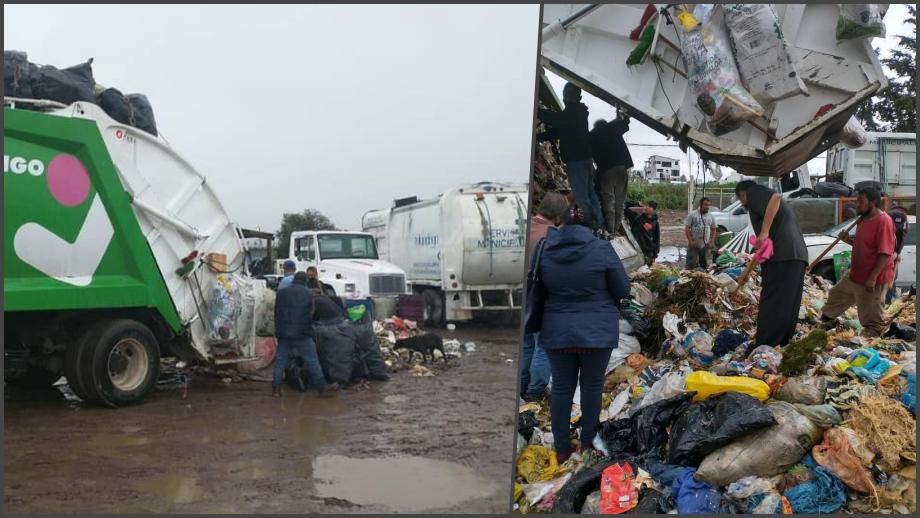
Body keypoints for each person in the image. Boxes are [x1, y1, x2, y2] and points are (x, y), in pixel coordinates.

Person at [536, 203, 630, 463]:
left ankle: (562, 449)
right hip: (597, 332)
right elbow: (622, 289)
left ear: (561, 222)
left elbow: (539, 290)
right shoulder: (602, 249)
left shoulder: (545, 249)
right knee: (591, 387)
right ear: (592, 224)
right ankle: (588, 444)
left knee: (562, 388)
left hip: (557, 330)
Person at [735, 180, 809, 347]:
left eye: (741, 199)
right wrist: (746, 274)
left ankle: (766, 343)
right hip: (795, 256)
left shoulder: (753, 191)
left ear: (743, 193)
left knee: (773, 300)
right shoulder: (772, 214)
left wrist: (764, 231)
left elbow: (775, 197)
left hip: (783, 256)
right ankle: (781, 343)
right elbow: (763, 248)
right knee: (787, 302)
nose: (743, 204)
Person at [820, 187, 896, 336]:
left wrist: (872, 278)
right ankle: (824, 321)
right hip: (855, 275)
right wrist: (848, 241)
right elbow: (865, 247)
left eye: (861, 201)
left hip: (872, 279)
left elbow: (885, 253)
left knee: (871, 318)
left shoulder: (883, 221)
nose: (857, 205)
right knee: (836, 295)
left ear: (873, 202)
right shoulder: (862, 220)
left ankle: (871, 341)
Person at [537, 83, 606, 230]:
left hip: (577, 161)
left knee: (582, 197)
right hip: (585, 160)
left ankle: (587, 228)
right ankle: (598, 225)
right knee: (590, 195)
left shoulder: (573, 112)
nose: (565, 96)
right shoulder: (576, 113)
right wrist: (538, 137)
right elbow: (558, 131)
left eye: (567, 93)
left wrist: (536, 110)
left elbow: (555, 120)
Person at [521, 192, 568, 402]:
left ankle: (521, 387)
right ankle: (535, 392)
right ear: (558, 216)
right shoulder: (553, 236)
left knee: (526, 344)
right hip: (541, 299)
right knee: (544, 347)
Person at [273, 271, 337, 397]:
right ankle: (321, 388)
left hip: (283, 333)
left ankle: (276, 389)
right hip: (302, 334)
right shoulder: (308, 293)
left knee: (280, 360)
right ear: (305, 281)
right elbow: (312, 312)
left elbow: (276, 312)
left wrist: (278, 329)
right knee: (312, 359)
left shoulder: (281, 293)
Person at [589, 114, 633, 235]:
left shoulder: (592, 135)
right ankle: (617, 228)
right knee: (620, 201)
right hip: (622, 168)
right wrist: (623, 117)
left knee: (609, 200)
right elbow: (626, 125)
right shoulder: (612, 128)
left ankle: (610, 228)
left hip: (606, 171)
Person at [885, 205, 909, 304]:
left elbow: (900, 239)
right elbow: (900, 239)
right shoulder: (899, 219)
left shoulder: (888, 217)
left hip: (890, 256)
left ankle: (889, 302)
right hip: (888, 256)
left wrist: (896, 253)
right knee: (889, 281)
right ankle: (889, 302)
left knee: (890, 281)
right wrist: (896, 252)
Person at [625, 201, 660, 266]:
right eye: (646, 206)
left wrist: (655, 255)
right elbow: (627, 209)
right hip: (635, 249)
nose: (646, 207)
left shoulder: (655, 223)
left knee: (647, 274)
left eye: (649, 207)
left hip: (648, 252)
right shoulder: (637, 218)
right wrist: (637, 203)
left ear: (654, 210)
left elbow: (656, 239)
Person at [684, 197, 716, 269]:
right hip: (694, 244)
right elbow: (687, 228)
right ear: (700, 204)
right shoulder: (692, 214)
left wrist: (711, 241)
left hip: (705, 245)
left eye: (708, 205)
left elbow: (714, 229)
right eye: (705, 205)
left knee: (704, 265)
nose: (707, 207)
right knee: (690, 265)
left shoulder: (711, 216)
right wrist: (690, 241)